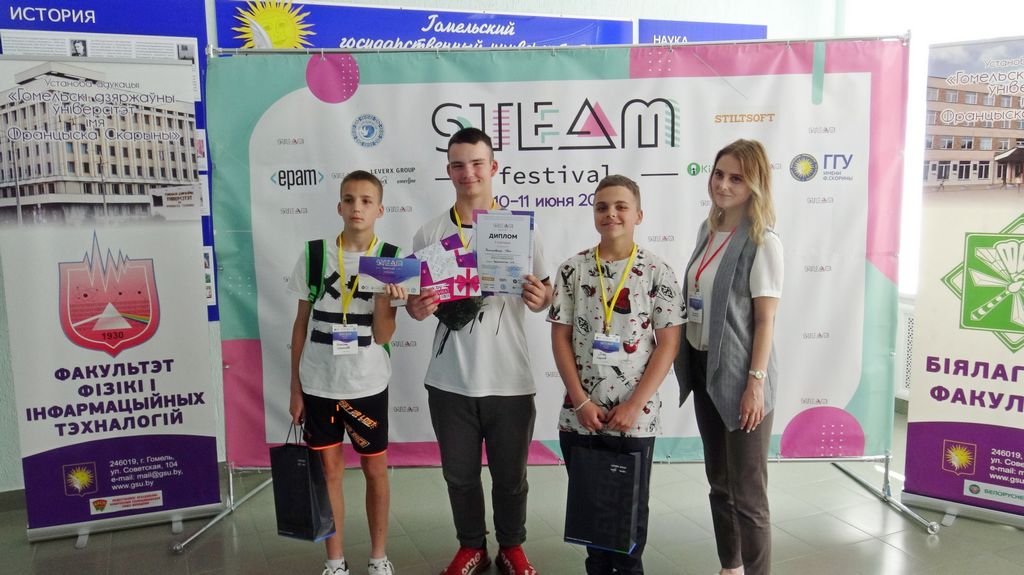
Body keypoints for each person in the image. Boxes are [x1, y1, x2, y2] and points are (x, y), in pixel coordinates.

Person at [406, 127, 551, 575]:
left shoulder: (521, 230)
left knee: (511, 478)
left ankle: (512, 547)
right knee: (460, 476)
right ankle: (471, 546)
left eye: (476, 163)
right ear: (448, 171)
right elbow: (415, 303)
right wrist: (416, 307)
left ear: (493, 167)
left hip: (509, 378)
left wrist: (541, 298)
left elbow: (546, 292)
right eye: (457, 165)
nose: (467, 172)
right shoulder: (430, 233)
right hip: (450, 380)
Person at [548, 175, 683, 575]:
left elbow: (668, 344)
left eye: (621, 206)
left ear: (639, 215)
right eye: (602, 207)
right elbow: (560, 338)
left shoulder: (658, 272)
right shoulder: (572, 270)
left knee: (628, 521)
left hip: (635, 420)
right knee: (591, 517)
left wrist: (635, 405)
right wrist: (581, 401)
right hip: (581, 417)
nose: (611, 214)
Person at [288, 170, 406, 575]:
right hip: (318, 382)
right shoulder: (315, 254)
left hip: (367, 382)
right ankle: (335, 560)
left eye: (366, 201)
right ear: (339, 206)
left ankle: (378, 557)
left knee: (375, 469)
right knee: (329, 472)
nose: (358, 207)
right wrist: (295, 388)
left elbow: (384, 335)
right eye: (350, 199)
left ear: (380, 209)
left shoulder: (391, 258)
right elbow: (300, 324)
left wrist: (386, 300)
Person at [674, 139, 783, 575]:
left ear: (754, 184)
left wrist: (755, 383)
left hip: (742, 377)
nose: (723, 184)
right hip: (704, 370)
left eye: (736, 178)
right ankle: (730, 567)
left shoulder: (763, 242)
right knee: (719, 483)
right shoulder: (708, 231)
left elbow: (766, 321)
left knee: (749, 494)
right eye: (719, 174)